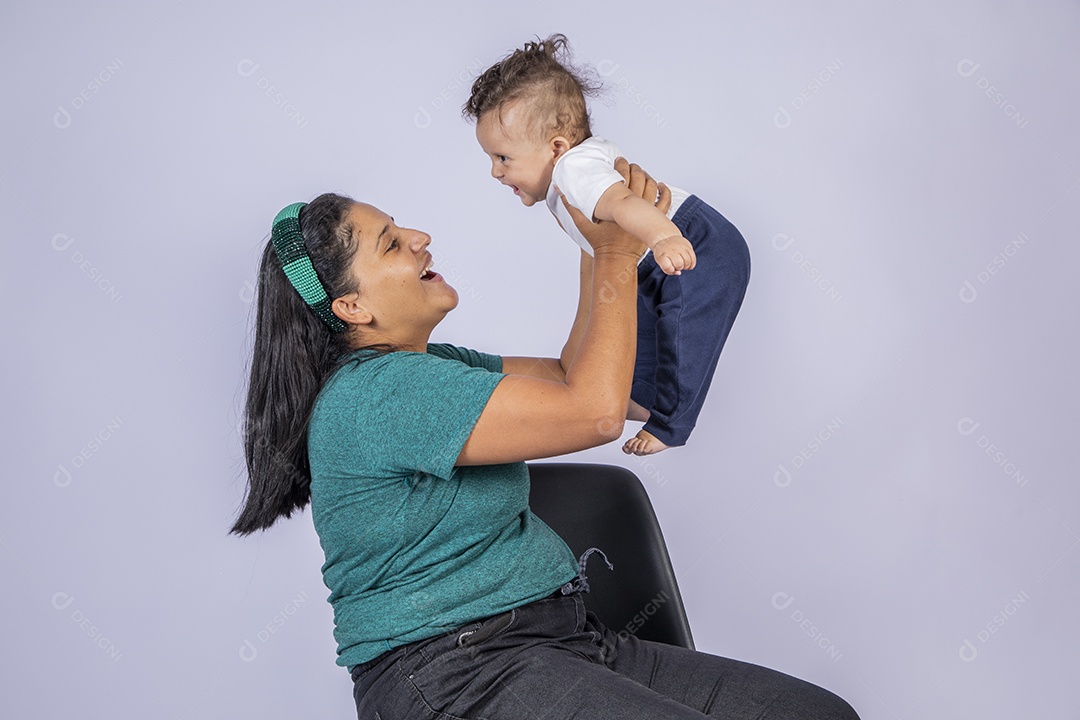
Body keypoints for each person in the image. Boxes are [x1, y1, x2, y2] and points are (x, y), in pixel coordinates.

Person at [230, 160, 858, 719]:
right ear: (351, 309)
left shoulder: (435, 366)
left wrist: (594, 238)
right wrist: (616, 255)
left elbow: (571, 377)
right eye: (392, 244)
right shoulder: (381, 393)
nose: (420, 239)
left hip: (564, 639)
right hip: (454, 675)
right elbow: (594, 414)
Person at [464, 34, 751, 456]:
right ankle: (641, 398)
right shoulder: (570, 171)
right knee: (629, 339)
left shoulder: (573, 169)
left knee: (685, 335)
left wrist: (665, 235)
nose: (495, 172)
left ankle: (670, 424)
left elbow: (621, 202)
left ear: (556, 146)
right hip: (648, 259)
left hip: (698, 242)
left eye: (504, 158)